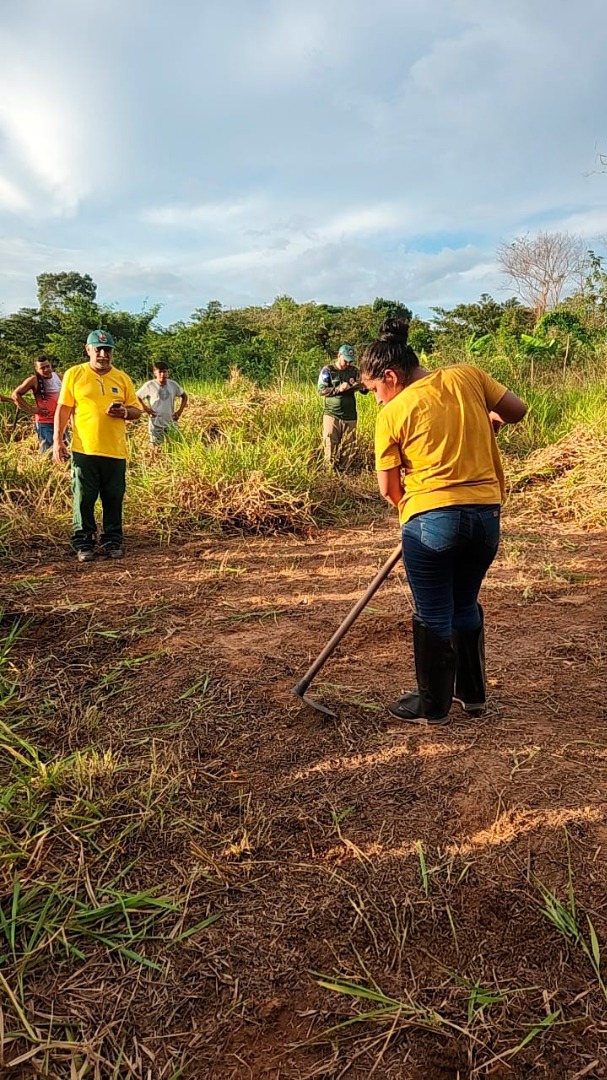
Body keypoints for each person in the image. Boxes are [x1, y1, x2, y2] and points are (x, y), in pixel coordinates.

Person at [360, 319, 527, 725]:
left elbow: (388, 488)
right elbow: (517, 411)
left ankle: (432, 705)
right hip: (486, 517)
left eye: (374, 392)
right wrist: (492, 423)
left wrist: (414, 516)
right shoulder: (466, 376)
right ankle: (472, 696)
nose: (377, 402)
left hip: (431, 521)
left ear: (390, 376)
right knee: (465, 602)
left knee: (433, 610)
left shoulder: (393, 413)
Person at [53, 329, 142, 563]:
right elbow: (64, 409)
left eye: (108, 350)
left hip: (115, 450)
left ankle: (113, 540)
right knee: (84, 497)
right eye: (98, 349)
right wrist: (57, 441)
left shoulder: (122, 378)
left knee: (114, 497)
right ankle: (84, 542)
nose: (103, 354)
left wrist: (123, 411)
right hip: (84, 450)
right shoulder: (75, 374)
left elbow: (136, 411)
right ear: (88, 349)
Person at [317, 344, 367, 470]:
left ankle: (346, 473)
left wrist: (364, 384)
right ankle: (329, 473)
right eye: (345, 360)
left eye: (350, 361)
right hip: (332, 414)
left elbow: (364, 391)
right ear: (338, 356)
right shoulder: (328, 370)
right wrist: (338, 389)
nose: (347, 363)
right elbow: (321, 391)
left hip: (350, 415)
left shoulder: (354, 371)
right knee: (330, 445)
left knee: (349, 447)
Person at [12, 357, 62, 453]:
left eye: (48, 366)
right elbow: (15, 395)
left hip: (60, 421)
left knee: (63, 450)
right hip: (45, 422)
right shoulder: (34, 380)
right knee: (48, 452)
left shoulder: (59, 377)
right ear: (36, 369)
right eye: (42, 368)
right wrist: (31, 409)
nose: (46, 369)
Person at [136, 362, 188, 448]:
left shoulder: (173, 384)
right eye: (160, 372)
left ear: (168, 373)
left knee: (173, 446)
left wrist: (179, 412)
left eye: (165, 372)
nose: (162, 374)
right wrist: (146, 409)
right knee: (156, 447)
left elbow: (184, 396)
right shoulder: (150, 385)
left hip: (171, 422)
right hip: (156, 422)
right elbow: (137, 397)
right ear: (155, 373)